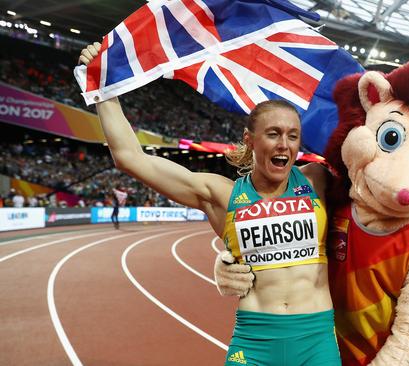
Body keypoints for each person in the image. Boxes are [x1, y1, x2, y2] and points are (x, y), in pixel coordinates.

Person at [79, 42, 339, 366]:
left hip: (316, 339)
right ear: (250, 139)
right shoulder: (222, 194)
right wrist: (104, 90)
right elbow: (130, 157)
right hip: (255, 342)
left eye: (293, 135)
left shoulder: (317, 179)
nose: (284, 144)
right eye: (273, 133)